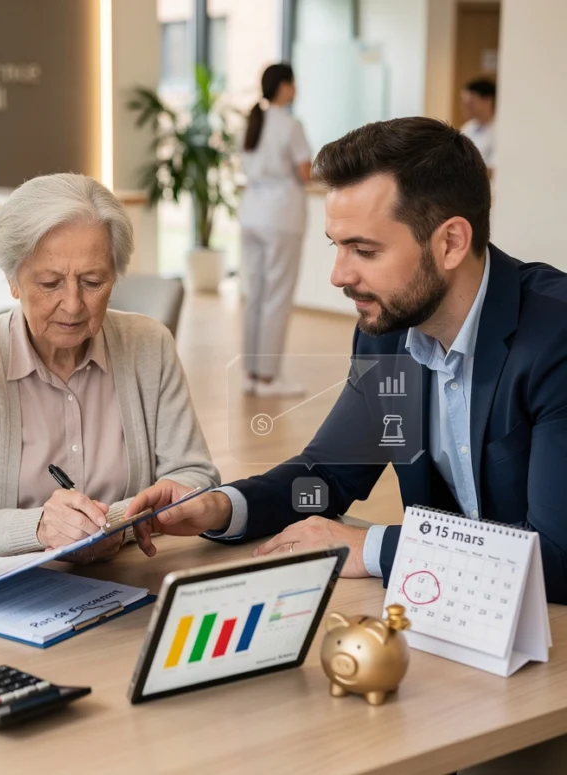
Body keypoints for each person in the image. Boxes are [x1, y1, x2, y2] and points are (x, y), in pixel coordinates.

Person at [125, 117, 567, 608]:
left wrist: (371, 546)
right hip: (450, 615)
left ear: (451, 243)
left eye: (364, 250)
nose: (338, 275)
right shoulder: (389, 336)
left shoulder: (556, 337)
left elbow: (558, 557)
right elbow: (326, 477)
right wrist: (222, 507)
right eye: (336, 246)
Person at [0, 173, 219, 562]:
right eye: (50, 283)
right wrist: (40, 528)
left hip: (133, 571)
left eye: (93, 282)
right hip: (17, 587)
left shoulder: (151, 345)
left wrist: (113, 523)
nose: (74, 304)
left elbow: (196, 477)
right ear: (13, 281)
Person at [238, 63, 313, 397]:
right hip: (281, 217)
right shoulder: (290, 125)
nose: (296, 89)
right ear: (283, 87)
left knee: (255, 295)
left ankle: (252, 373)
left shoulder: (252, 121)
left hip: (251, 214)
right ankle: (268, 379)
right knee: (277, 297)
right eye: (293, 83)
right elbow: (305, 173)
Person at [460, 77, 497, 175]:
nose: (465, 107)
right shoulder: (468, 128)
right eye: (464, 103)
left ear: (487, 101)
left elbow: (494, 169)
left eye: (470, 103)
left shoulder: (500, 130)